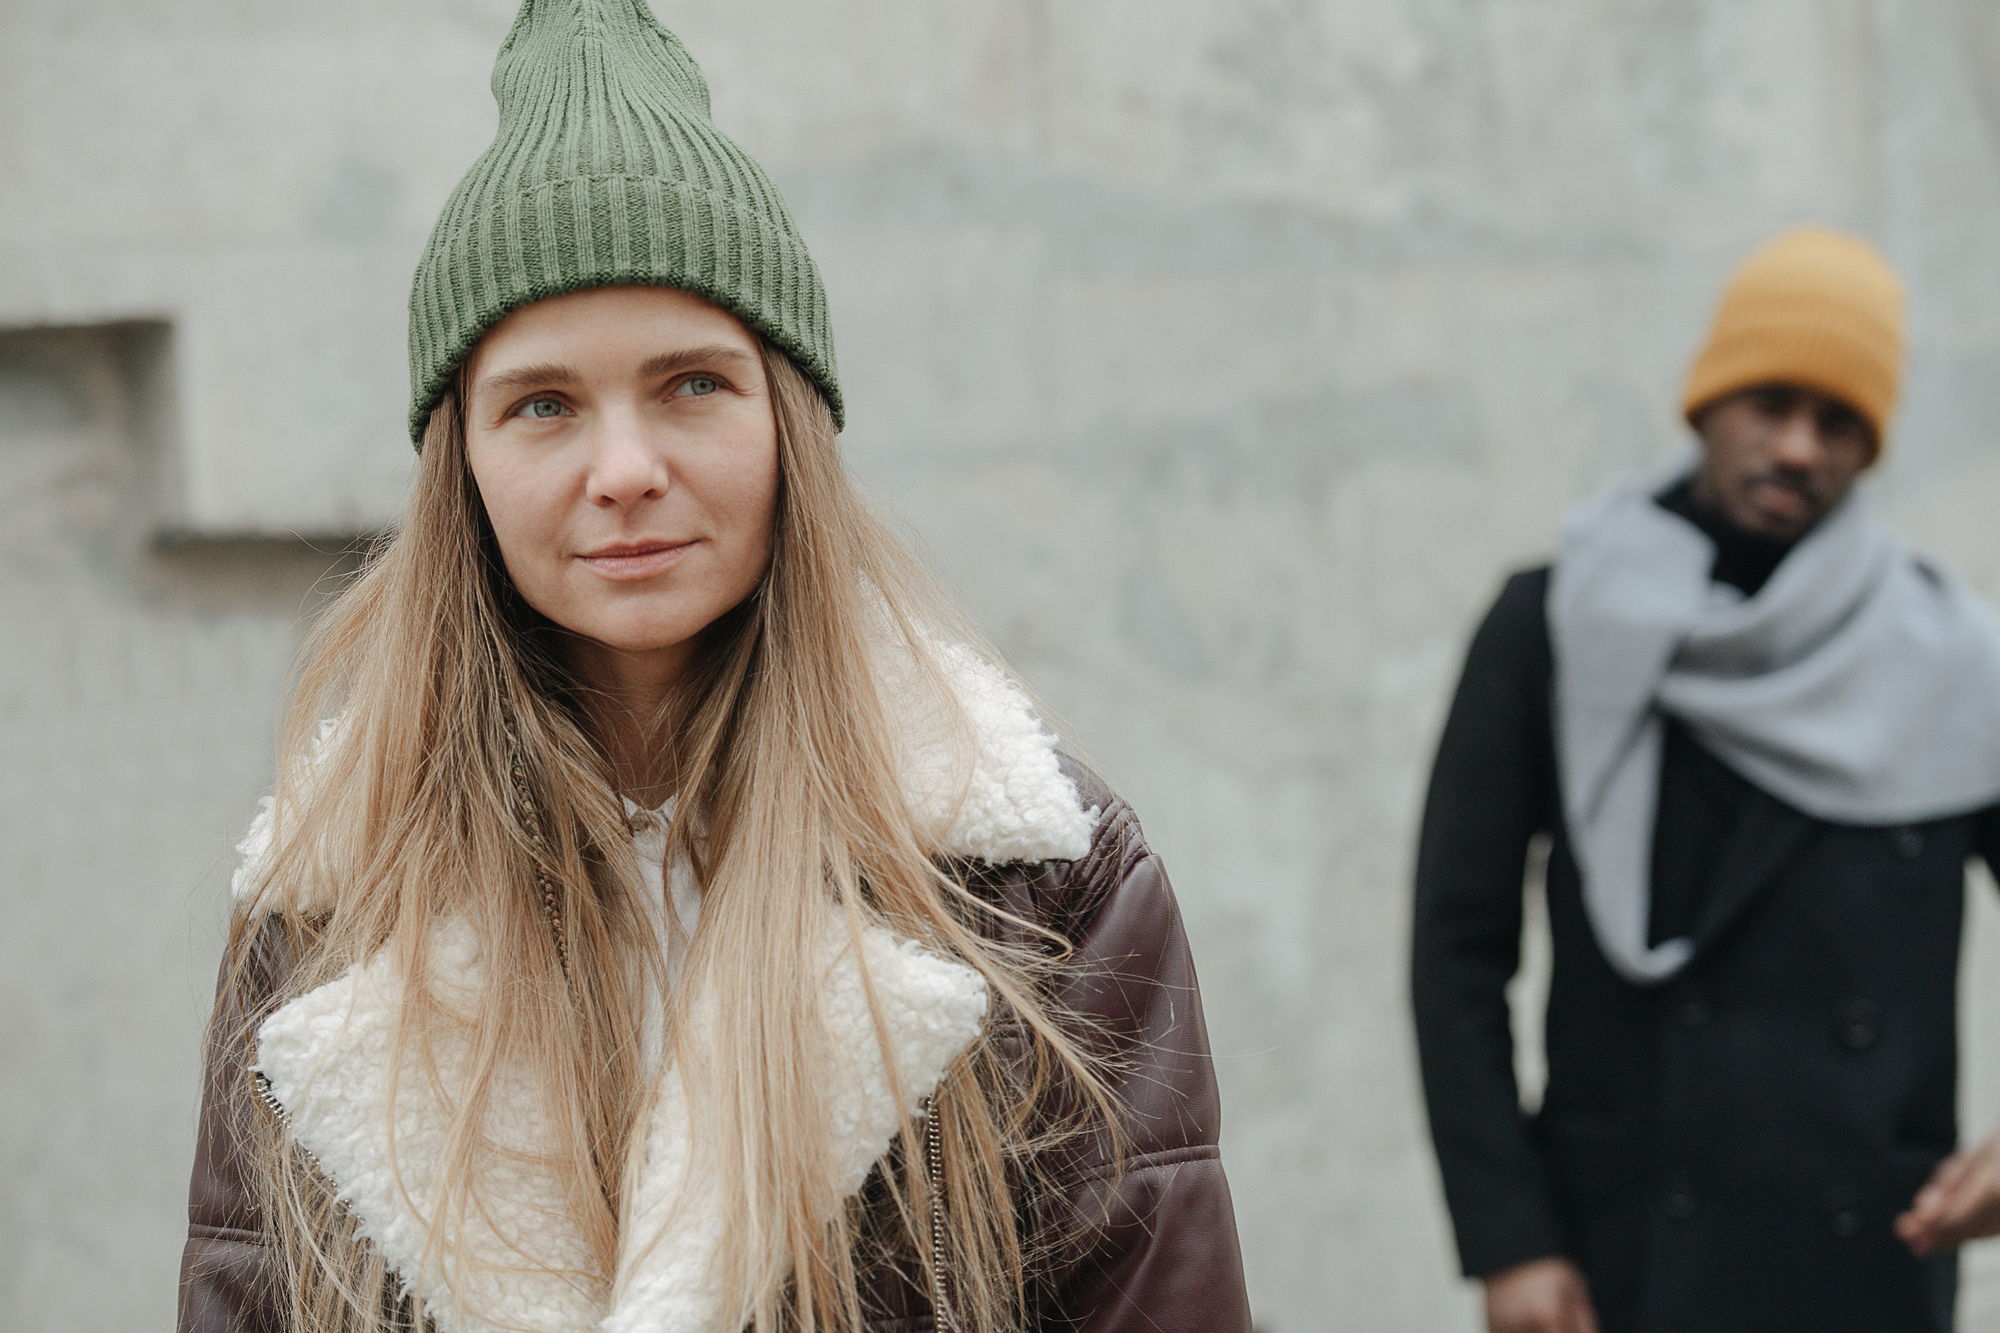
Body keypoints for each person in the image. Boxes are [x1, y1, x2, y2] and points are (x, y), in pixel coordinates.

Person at [175, 5, 1252, 1331]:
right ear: (463, 465)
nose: (625, 470)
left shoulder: (1039, 887)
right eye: (543, 404)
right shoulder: (330, 908)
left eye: (693, 383)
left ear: (788, 421)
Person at [1411, 227, 2000, 1333]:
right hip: (1614, 1250)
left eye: (1837, 422)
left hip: (1867, 1256)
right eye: (1767, 402)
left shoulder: (1951, 659)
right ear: (1704, 403)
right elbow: (1456, 950)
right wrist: (1509, 1237)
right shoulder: (1550, 624)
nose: (1794, 446)